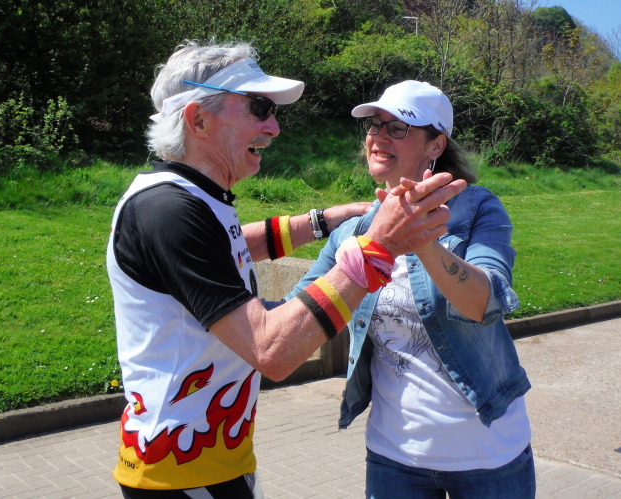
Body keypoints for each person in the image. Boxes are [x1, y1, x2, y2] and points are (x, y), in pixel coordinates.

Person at [106, 44, 467, 498]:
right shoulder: (169, 211)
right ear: (198, 120)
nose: (274, 127)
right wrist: (380, 247)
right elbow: (271, 351)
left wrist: (321, 221)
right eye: (259, 108)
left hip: (207, 462)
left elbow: (225, 246)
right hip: (180, 474)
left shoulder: (189, 197)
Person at [286, 80, 535, 498]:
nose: (379, 136)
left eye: (398, 127)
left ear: (435, 145)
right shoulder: (355, 231)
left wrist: (420, 239)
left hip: (488, 455)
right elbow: (296, 310)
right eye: (375, 124)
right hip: (394, 457)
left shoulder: (478, 207)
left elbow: (486, 302)